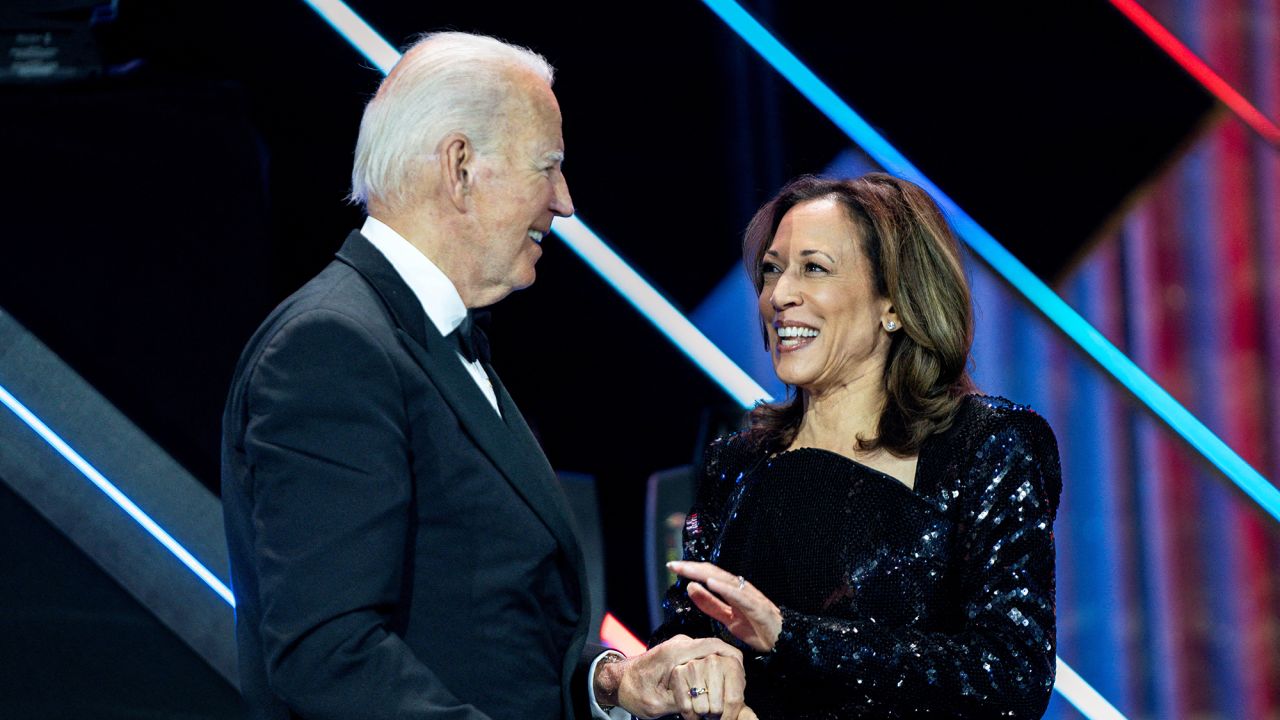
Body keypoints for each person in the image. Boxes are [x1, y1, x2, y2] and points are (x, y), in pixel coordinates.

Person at [221, 32, 752, 720]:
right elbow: (329, 657)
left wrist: (612, 683)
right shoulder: (332, 347)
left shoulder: (430, 340)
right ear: (460, 167)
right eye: (548, 166)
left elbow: (496, 630)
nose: (564, 202)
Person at [656, 173, 1063, 718]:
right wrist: (691, 678)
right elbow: (683, 640)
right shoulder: (737, 461)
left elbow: (1010, 672)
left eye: (814, 269)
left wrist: (790, 635)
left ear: (892, 302)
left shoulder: (983, 445)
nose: (779, 296)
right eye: (772, 270)